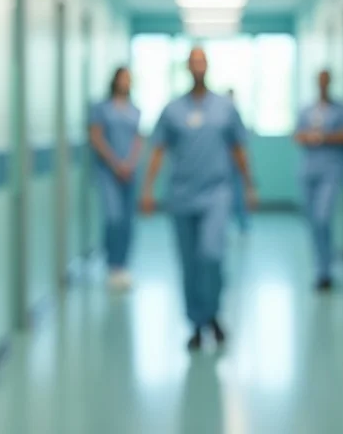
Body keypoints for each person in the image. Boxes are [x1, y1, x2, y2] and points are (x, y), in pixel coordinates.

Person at [140, 48, 257, 351]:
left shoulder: (225, 108)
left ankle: (213, 313)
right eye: (193, 63)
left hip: (216, 193)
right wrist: (148, 189)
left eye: (202, 62)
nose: (197, 67)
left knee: (212, 255)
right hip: (181, 195)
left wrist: (249, 185)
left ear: (208, 67)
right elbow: (158, 150)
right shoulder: (172, 110)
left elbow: (239, 149)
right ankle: (195, 322)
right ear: (187, 69)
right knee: (189, 262)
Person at [295, 69, 343, 292]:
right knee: (312, 222)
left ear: (330, 83)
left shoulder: (341, 109)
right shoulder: (307, 110)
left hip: (331, 171)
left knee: (323, 218)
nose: (322, 85)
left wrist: (323, 137)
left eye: (326, 81)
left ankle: (326, 269)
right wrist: (309, 137)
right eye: (319, 81)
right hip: (309, 171)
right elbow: (297, 135)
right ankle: (320, 268)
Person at [89, 66, 142, 290]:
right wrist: (115, 163)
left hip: (129, 172)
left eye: (129, 79)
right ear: (115, 80)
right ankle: (112, 265)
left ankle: (122, 265)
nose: (126, 82)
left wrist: (129, 163)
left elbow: (139, 139)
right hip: (108, 171)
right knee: (113, 218)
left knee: (128, 221)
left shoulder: (134, 110)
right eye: (123, 78)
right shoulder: (102, 108)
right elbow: (96, 137)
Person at [226, 89, 251, 236]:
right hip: (224, 165)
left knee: (239, 195)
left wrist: (249, 179)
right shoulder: (220, 116)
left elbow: (241, 146)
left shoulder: (234, 116)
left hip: (235, 166)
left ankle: (243, 223)